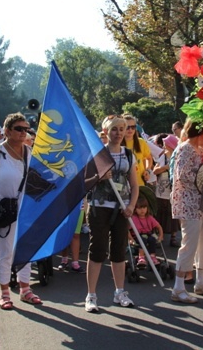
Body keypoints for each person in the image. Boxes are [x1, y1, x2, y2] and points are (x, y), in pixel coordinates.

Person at [0, 113, 43, 310]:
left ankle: (26, 289)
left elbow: (37, 180)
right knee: (6, 252)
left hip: (27, 212)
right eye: (19, 129)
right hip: (5, 211)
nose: (24, 132)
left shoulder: (29, 152)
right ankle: (5, 292)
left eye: (26, 129)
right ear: (7, 131)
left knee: (26, 250)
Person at [85, 115, 139, 313]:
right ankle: (91, 295)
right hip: (100, 207)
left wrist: (131, 206)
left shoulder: (129, 154)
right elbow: (84, 181)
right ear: (106, 132)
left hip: (122, 208)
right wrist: (98, 176)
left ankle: (120, 292)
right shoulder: (98, 154)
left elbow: (134, 184)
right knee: (97, 250)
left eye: (121, 129)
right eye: (114, 129)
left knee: (119, 250)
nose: (118, 133)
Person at [170, 119, 203, 304]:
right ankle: (178, 287)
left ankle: (200, 281)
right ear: (198, 133)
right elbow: (183, 175)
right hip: (189, 204)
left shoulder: (200, 150)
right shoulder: (185, 148)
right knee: (189, 243)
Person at [153, 134, 179, 247]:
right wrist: (166, 167)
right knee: (160, 215)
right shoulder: (162, 157)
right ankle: (160, 236)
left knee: (172, 216)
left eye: (165, 144)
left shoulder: (178, 157)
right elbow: (155, 171)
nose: (163, 147)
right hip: (161, 190)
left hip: (173, 191)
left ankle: (173, 237)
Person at [130, 193, 163, 267]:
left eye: (144, 208)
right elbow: (127, 230)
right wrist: (131, 239)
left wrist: (160, 236)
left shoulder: (149, 217)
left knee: (152, 239)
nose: (142, 210)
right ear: (135, 209)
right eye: (140, 208)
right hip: (137, 236)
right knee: (142, 239)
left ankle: (152, 257)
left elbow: (159, 227)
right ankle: (141, 257)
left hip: (149, 234)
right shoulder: (133, 218)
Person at [122, 114, 153, 186]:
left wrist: (147, 171)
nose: (130, 130)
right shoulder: (117, 143)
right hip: (124, 186)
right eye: (127, 127)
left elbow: (149, 158)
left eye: (133, 127)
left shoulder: (141, 142)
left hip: (140, 184)